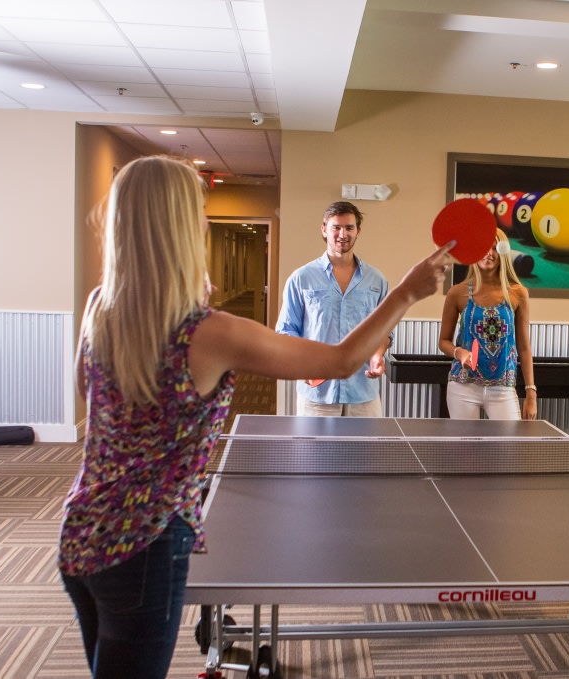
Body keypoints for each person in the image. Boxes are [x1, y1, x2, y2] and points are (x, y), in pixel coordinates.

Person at [58, 155, 452, 679]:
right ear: (179, 225)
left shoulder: (99, 307)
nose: (203, 222)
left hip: (83, 528)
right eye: (197, 211)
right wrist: (406, 292)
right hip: (145, 543)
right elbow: (340, 360)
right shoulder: (209, 331)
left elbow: (87, 394)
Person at [276, 201, 391, 416]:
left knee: (369, 442)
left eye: (349, 227)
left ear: (358, 231)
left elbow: (383, 332)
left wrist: (377, 355)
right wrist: (303, 363)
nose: (342, 234)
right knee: (313, 443)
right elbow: (286, 330)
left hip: (363, 392)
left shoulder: (377, 280)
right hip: (318, 395)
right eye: (336, 227)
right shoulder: (301, 278)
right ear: (324, 229)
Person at [438, 230, 537, 420]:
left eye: (495, 248)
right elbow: (443, 341)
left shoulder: (518, 293)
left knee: (510, 440)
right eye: (483, 247)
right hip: (463, 386)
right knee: (464, 442)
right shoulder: (456, 293)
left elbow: (524, 347)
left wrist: (531, 392)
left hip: (503, 388)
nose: (488, 253)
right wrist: (459, 352)